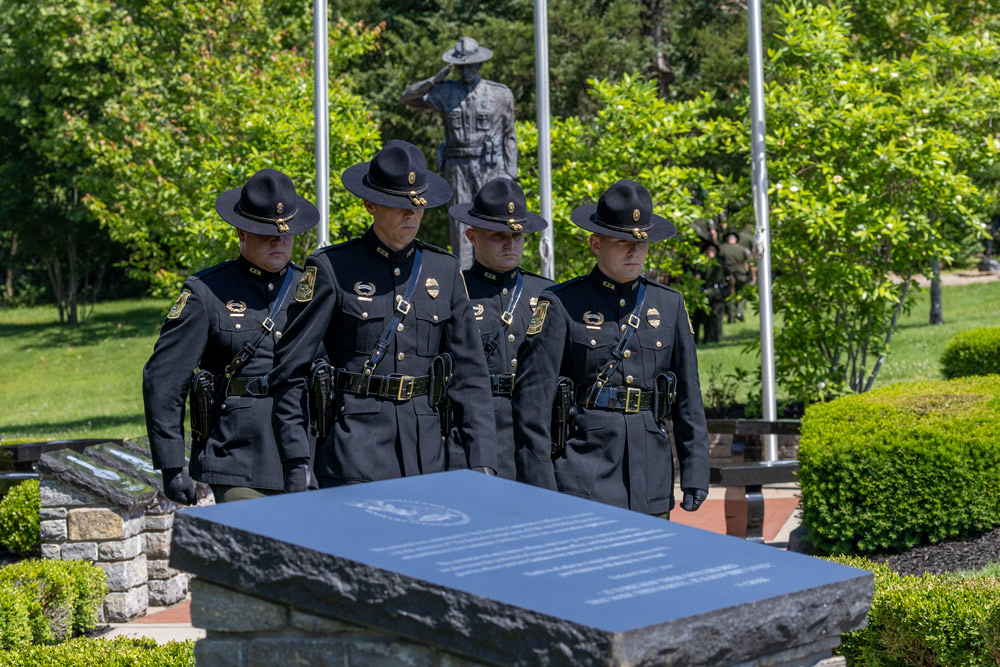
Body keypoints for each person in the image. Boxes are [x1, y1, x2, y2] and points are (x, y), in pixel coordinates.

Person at [270, 139, 498, 490]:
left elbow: (470, 375)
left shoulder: (445, 269)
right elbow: (291, 369)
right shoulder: (332, 268)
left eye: (418, 207)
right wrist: (297, 457)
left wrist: (481, 458)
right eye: (398, 207)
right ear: (370, 204)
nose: (412, 215)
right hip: (352, 450)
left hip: (425, 456)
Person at [512, 179, 710, 516]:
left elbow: (689, 397)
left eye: (642, 243)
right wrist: (540, 485)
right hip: (583, 469)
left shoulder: (669, 304)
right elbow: (532, 405)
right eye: (622, 242)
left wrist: (696, 469)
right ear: (595, 243)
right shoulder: (561, 304)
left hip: (650, 470)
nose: (634, 252)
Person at [143, 169, 319, 504]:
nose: (279, 241)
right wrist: (170, 464)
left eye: (286, 234)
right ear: (241, 232)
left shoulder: (311, 290)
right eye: (267, 234)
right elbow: (164, 379)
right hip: (239, 454)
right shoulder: (207, 292)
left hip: (308, 452)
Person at [444, 178, 554, 479]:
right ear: (471, 235)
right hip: (475, 432)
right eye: (498, 235)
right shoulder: (455, 292)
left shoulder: (547, 295)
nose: (511, 244)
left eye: (517, 236)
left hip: (531, 434)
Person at [402, 37, 517, 270]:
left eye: (471, 65)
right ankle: (464, 280)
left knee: (493, 221)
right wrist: (435, 79)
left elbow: (509, 135)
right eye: (462, 66)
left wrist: (509, 175)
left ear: (480, 64)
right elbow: (409, 97)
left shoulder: (500, 94)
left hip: (490, 166)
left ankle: (493, 274)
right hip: (456, 166)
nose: (467, 70)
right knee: (460, 224)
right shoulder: (444, 91)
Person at [692, 242, 728, 344]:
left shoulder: (720, 263)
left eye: (713, 250)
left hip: (717, 291)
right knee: (705, 317)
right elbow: (697, 278)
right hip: (705, 291)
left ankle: (717, 337)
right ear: (705, 252)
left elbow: (729, 276)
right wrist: (696, 293)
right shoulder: (701, 264)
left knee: (717, 315)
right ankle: (706, 339)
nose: (711, 252)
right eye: (709, 250)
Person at [718, 230, 755, 322]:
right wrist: (753, 276)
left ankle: (731, 317)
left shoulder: (721, 248)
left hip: (727, 276)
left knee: (730, 296)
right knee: (742, 294)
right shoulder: (743, 249)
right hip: (741, 276)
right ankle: (739, 311)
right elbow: (751, 263)